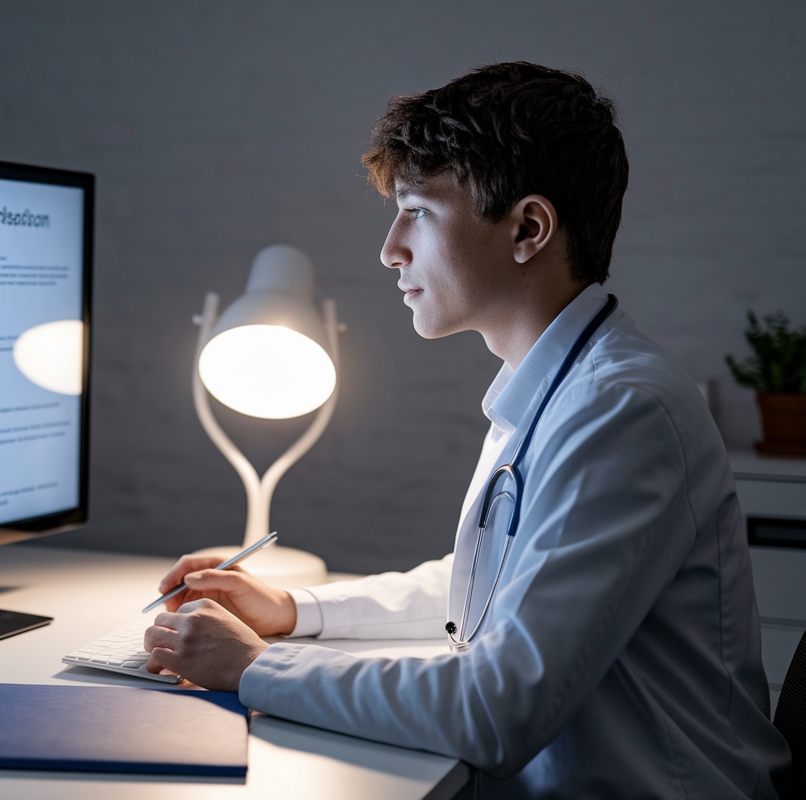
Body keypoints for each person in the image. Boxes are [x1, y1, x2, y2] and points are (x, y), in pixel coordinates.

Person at [143, 62, 793, 798]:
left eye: (417, 210)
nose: (390, 248)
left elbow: (494, 709)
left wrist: (255, 666)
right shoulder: (555, 386)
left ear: (528, 229)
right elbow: (488, 588)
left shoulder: (622, 410)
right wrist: (295, 612)